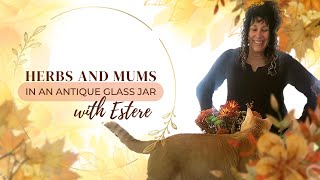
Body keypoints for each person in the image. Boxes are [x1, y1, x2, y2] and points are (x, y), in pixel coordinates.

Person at [196, 1, 320, 133]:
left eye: (264, 29)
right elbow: (203, 89)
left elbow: (317, 91)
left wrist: (298, 127)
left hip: (273, 142)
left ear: (272, 33)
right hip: (234, 140)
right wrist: (215, 121)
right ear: (247, 32)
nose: (258, 35)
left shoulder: (284, 62)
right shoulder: (230, 58)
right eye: (254, 29)